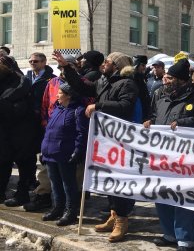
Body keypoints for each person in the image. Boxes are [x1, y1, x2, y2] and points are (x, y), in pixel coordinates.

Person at [53, 50, 139, 243]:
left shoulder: (127, 84)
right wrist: (67, 68)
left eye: (108, 61)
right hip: (105, 139)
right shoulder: (103, 80)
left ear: (116, 65)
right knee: (109, 181)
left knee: (119, 182)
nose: (104, 63)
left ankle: (122, 220)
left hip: (121, 141)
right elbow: (82, 88)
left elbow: (125, 106)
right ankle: (114, 215)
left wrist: (98, 106)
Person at [143, 59, 194, 251]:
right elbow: (155, 116)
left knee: (182, 197)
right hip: (162, 158)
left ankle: (186, 239)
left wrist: (184, 122)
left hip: (185, 159)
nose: (165, 80)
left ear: (181, 80)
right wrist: (149, 122)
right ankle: (169, 234)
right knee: (162, 194)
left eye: (170, 77)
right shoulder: (161, 97)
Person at [25, 55, 79, 213]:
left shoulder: (79, 83)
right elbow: (45, 104)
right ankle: (48, 199)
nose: (63, 70)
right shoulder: (53, 82)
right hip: (50, 130)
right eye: (61, 67)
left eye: (67, 66)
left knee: (69, 175)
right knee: (47, 169)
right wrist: (45, 122)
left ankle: (71, 207)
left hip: (69, 133)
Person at [40, 83, 88, 226]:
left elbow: (81, 133)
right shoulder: (56, 109)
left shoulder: (78, 111)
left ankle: (70, 212)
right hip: (50, 153)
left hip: (65, 154)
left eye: (60, 93)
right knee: (55, 184)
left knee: (68, 184)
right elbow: (49, 130)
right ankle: (57, 208)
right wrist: (44, 151)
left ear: (69, 95)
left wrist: (78, 151)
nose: (57, 95)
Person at [0, 55, 38, 206]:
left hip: (21, 133)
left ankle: (22, 194)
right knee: (3, 163)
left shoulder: (21, 81)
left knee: (24, 165)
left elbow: (18, 109)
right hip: (4, 133)